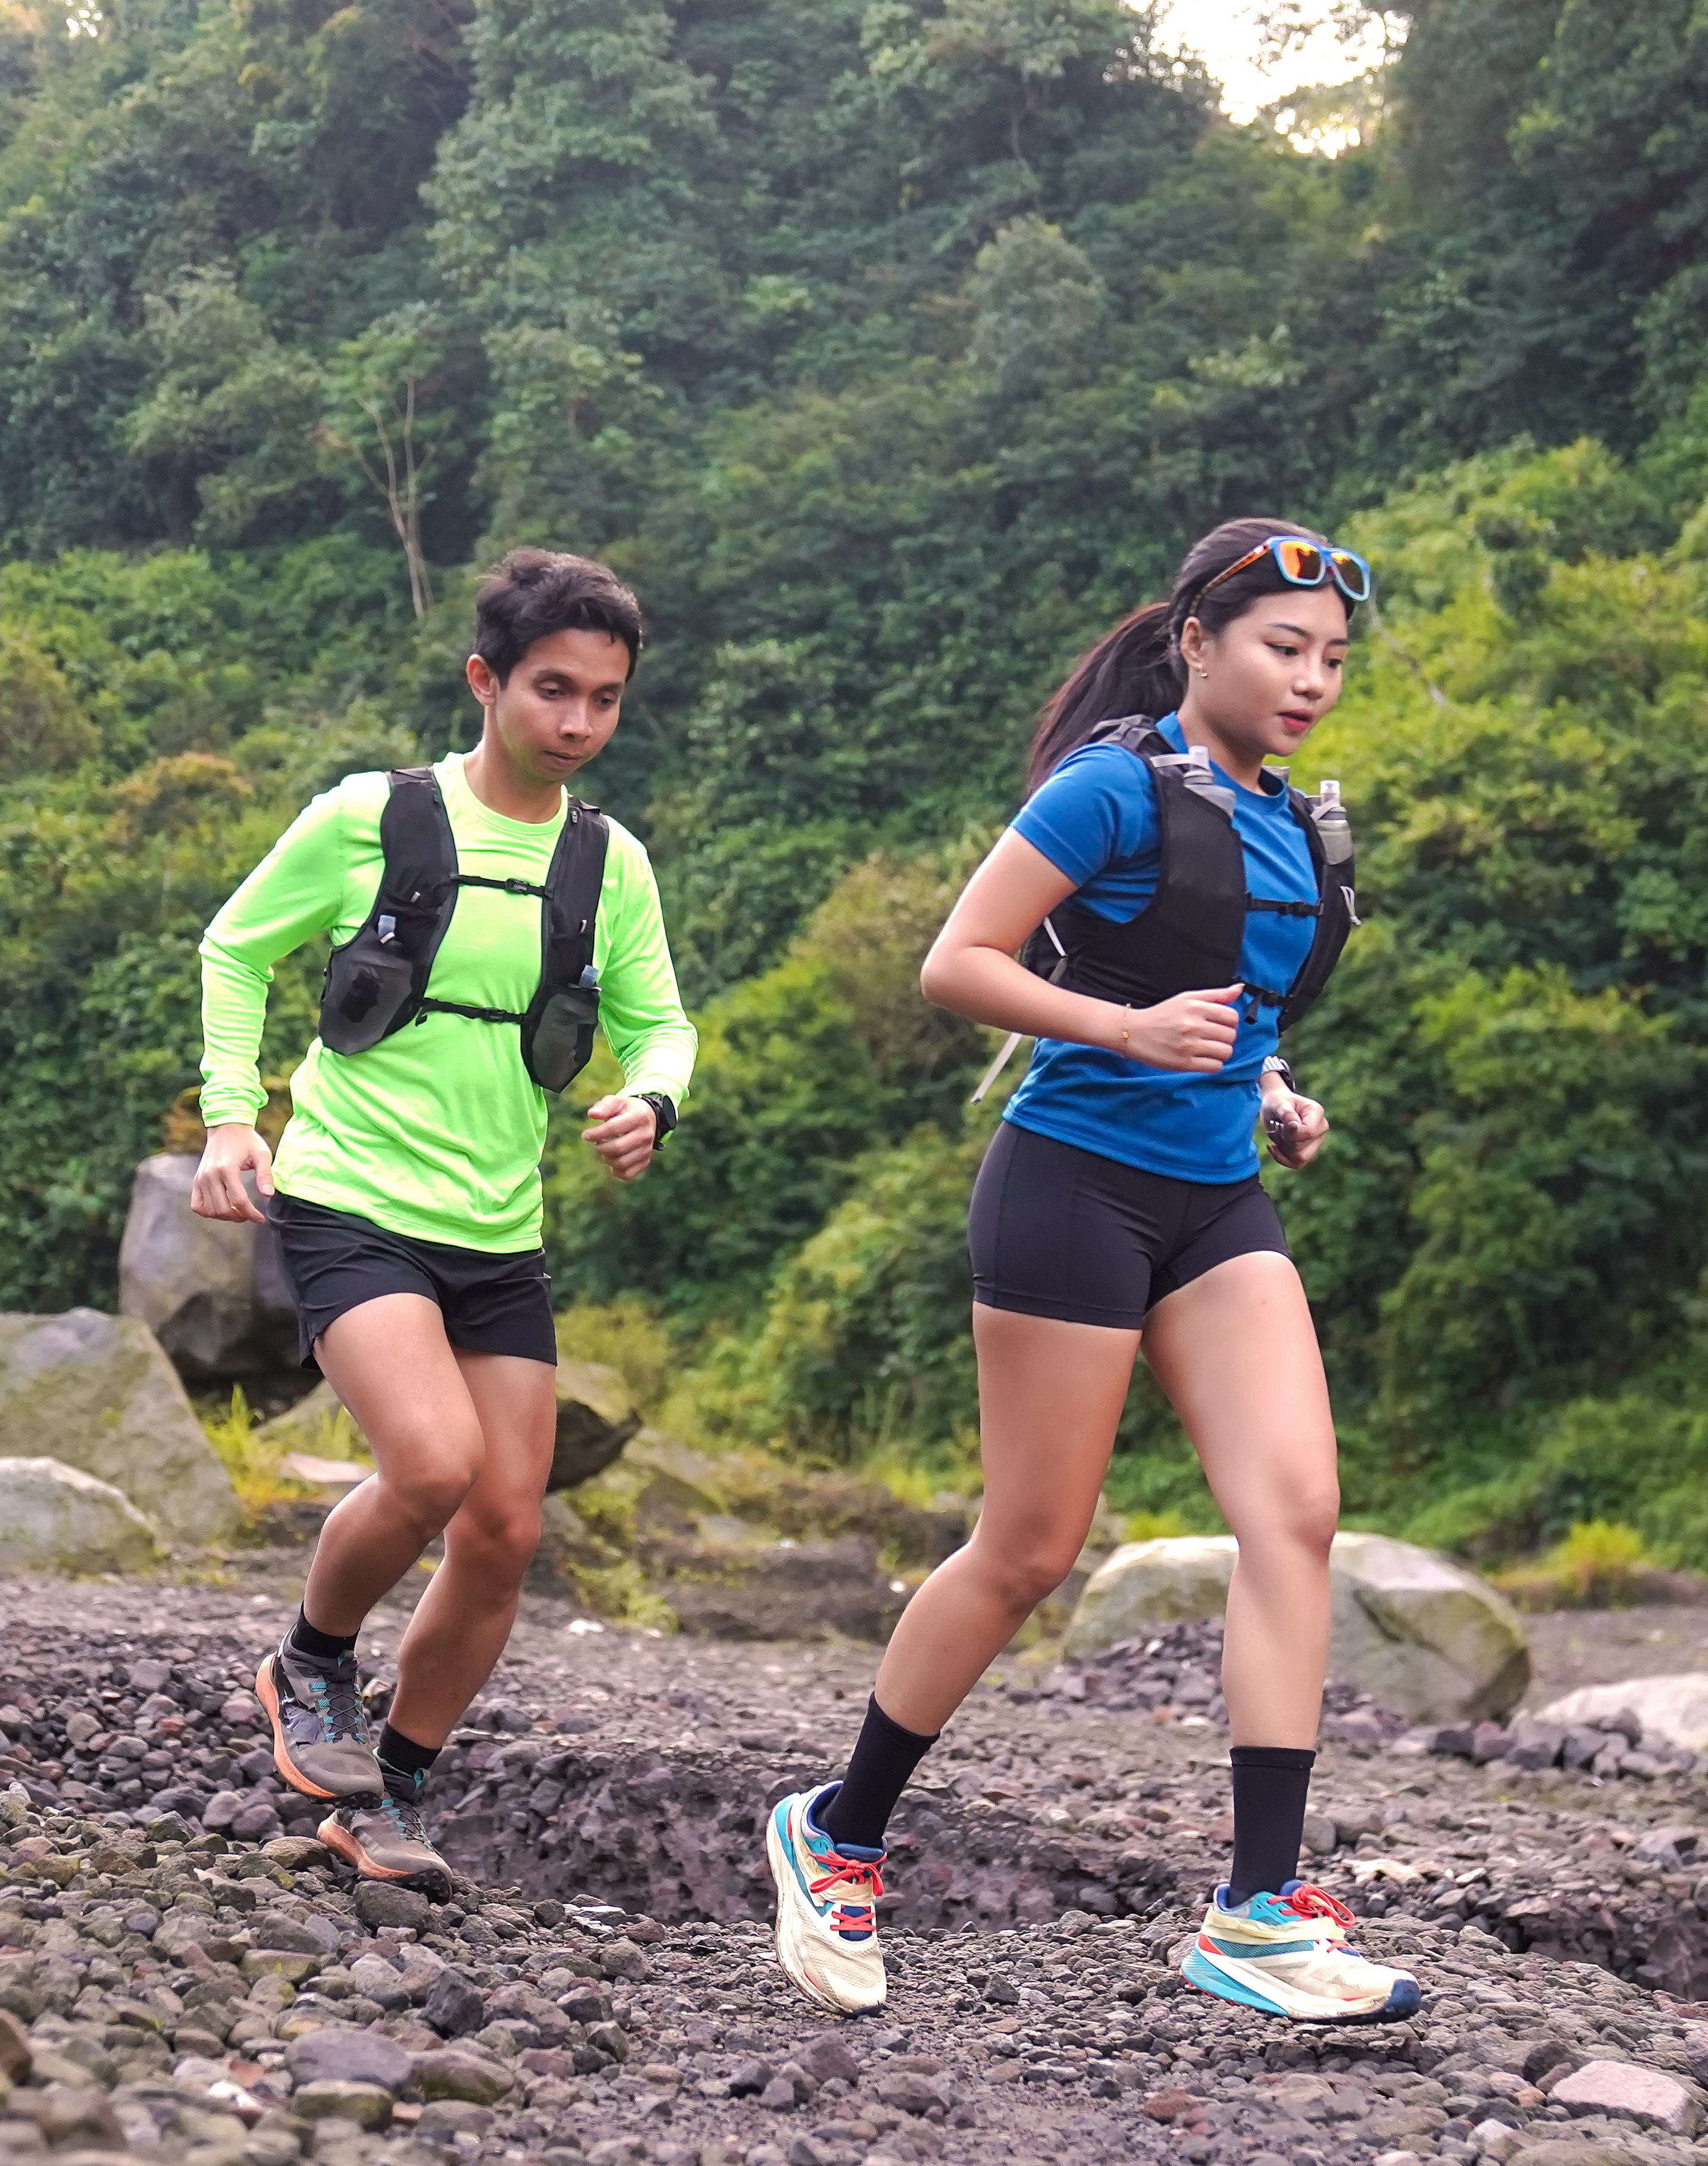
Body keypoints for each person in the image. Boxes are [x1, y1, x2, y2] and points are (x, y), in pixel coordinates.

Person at [763, 517, 1419, 2024]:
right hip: (1070, 1189)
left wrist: (1265, 1087)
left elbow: (1231, 999)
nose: (1311, 678)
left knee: (1295, 1514)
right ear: (1197, 641)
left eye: (1328, 658)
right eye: (1281, 648)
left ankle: (1256, 1907)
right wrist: (1125, 1033)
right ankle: (838, 1826)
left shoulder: (1294, 824)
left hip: (1214, 1201)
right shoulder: (1112, 785)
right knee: (1028, 1548)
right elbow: (960, 960)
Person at [190, 548, 696, 1884]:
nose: (577, 722)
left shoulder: (609, 862)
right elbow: (236, 945)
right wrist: (231, 1111)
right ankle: (306, 1659)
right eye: (550, 690)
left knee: (506, 1526)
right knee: (429, 1462)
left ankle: (390, 1790)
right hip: (351, 1193)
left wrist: (652, 1096)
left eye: (603, 698)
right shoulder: (371, 817)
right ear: (485, 680)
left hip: (497, 1220)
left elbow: (660, 1021)